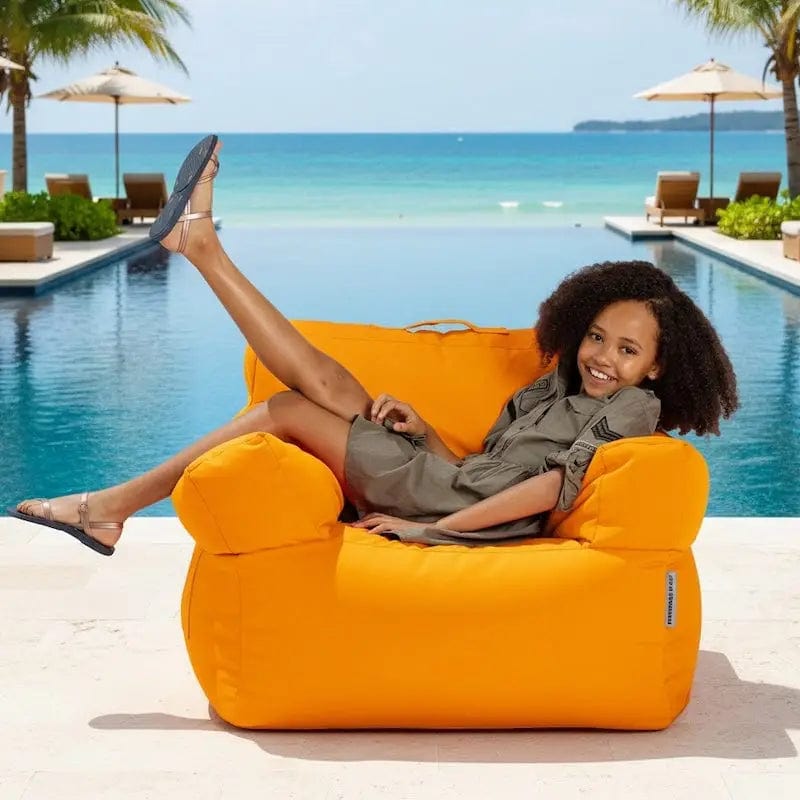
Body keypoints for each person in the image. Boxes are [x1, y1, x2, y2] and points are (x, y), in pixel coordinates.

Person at [8, 136, 739, 555]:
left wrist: (437, 531)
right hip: (445, 477)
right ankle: (200, 248)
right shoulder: (563, 389)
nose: (603, 357)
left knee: (285, 408)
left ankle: (110, 506)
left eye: (628, 351)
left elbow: (548, 492)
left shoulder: (635, 412)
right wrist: (422, 432)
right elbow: (491, 463)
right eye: (598, 337)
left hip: (447, 505)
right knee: (327, 383)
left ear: (659, 365)